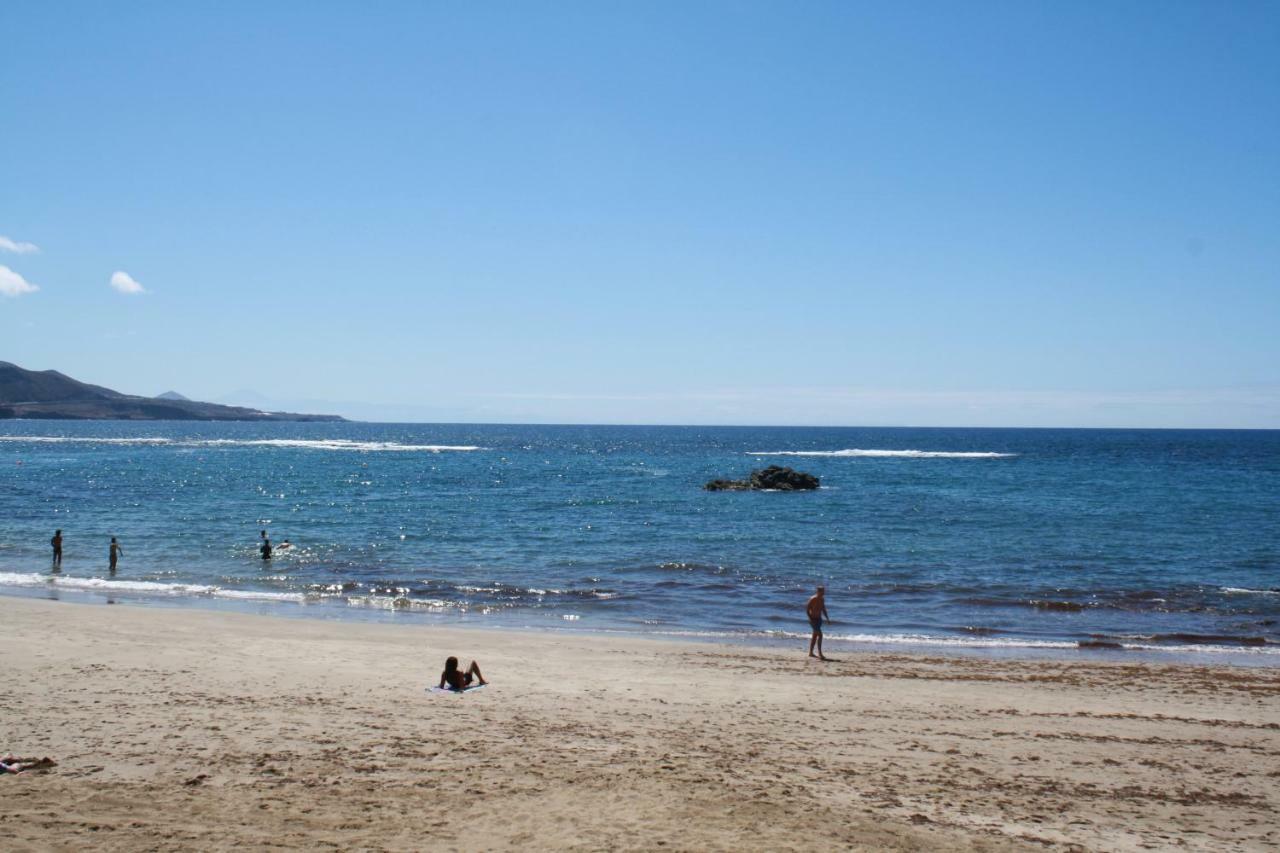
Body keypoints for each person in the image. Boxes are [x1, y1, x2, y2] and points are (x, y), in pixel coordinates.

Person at [807, 586, 830, 660]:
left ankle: (810, 652)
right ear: (818, 591)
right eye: (823, 591)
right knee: (820, 635)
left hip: (819, 619)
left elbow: (823, 609)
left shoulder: (822, 599)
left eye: (824, 591)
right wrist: (810, 619)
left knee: (815, 636)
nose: (824, 592)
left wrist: (827, 618)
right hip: (813, 619)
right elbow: (807, 609)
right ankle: (820, 654)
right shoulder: (813, 598)